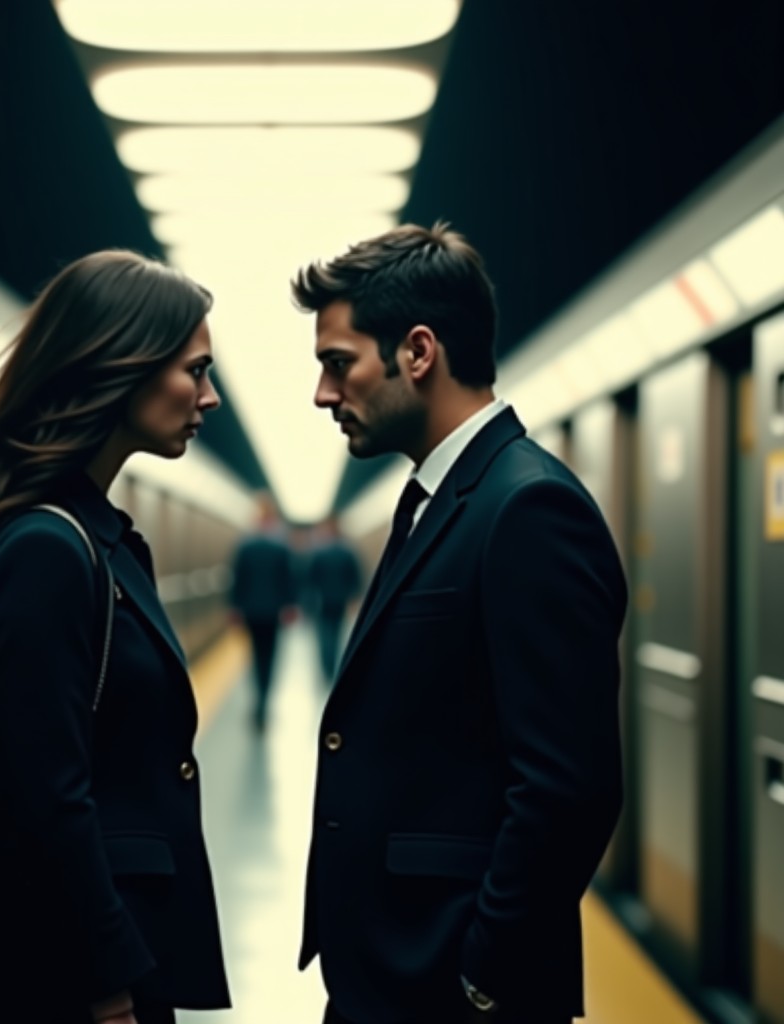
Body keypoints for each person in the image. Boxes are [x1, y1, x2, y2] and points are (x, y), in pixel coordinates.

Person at [291, 223, 627, 1024]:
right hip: (388, 969)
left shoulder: (528, 508)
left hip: (449, 983)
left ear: (417, 351)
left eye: (339, 364)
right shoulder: (443, 500)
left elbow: (567, 786)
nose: (324, 395)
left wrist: (484, 977)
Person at [0, 250, 230, 1024]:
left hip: (102, 952)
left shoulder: (88, 540)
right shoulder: (49, 550)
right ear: (122, 365)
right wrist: (107, 983)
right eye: (194, 371)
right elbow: (46, 793)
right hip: (70, 976)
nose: (212, 396)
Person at [228, 494, 297, 732]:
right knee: (270, 657)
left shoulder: (245, 544)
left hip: (250, 610)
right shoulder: (281, 544)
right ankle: (264, 703)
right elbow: (289, 578)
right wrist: (290, 606)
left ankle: (258, 701)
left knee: (255, 655)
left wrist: (235, 608)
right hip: (274, 611)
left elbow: (237, 579)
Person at [304, 516, 363, 684]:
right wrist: (353, 598)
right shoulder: (347, 551)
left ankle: (326, 668)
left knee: (324, 635)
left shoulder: (318, 552)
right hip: (341, 600)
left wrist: (307, 604)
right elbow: (355, 577)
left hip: (321, 601)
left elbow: (310, 579)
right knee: (336, 634)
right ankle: (333, 666)